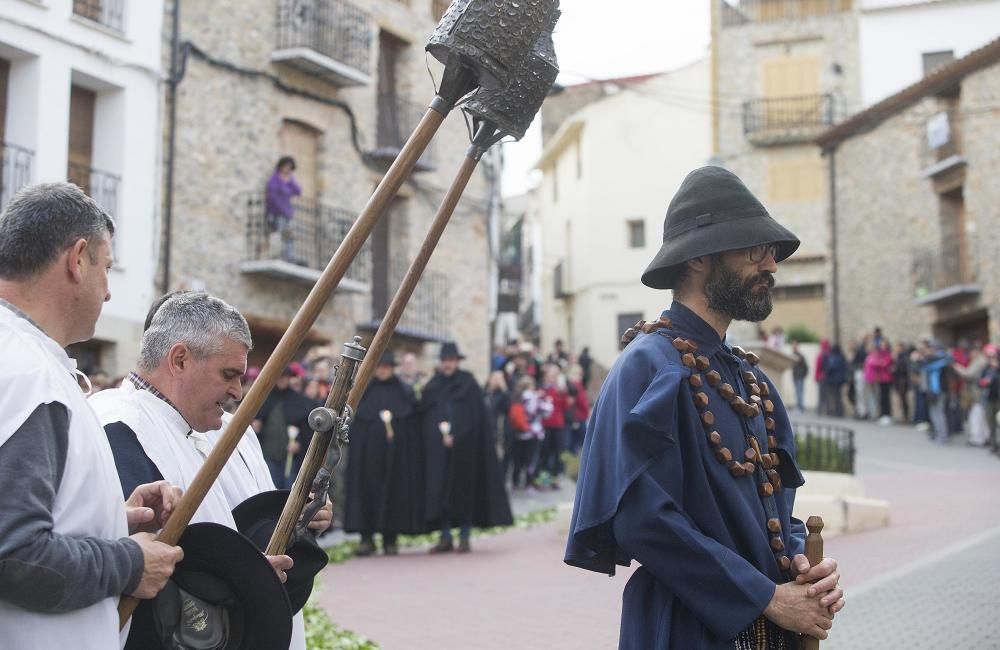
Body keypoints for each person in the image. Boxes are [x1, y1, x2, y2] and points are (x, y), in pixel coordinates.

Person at [565, 167, 844, 648]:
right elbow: (641, 520)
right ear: (698, 260)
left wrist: (799, 562)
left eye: (771, 252)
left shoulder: (747, 375)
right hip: (684, 629)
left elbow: (769, 508)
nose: (772, 265)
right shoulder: (647, 366)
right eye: (755, 249)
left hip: (767, 629)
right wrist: (766, 597)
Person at [91, 291, 332, 649]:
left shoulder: (214, 426)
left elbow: (241, 520)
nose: (238, 391)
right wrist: (243, 578)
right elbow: (142, 560)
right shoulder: (119, 424)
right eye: (228, 375)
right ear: (181, 360)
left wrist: (299, 515)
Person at [0, 183, 184, 648]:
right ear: (77, 259)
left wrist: (110, 518)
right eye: (106, 266)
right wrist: (129, 563)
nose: (107, 291)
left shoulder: (24, 360)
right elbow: (15, 557)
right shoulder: (28, 375)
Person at [421, 342, 512, 553]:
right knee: (440, 493)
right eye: (445, 361)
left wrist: (458, 436)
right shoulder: (433, 386)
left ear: (457, 362)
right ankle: (445, 536)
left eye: (451, 361)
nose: (448, 365)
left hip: (465, 450)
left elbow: (476, 417)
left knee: (464, 492)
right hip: (439, 452)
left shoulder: (468, 384)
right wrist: (438, 436)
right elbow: (426, 417)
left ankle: (464, 535)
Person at [344, 351, 426, 556]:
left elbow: (412, 426)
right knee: (366, 495)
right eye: (379, 367)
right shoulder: (366, 392)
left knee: (393, 494)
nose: (382, 371)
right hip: (368, 459)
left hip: (395, 459)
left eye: (386, 367)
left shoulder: (404, 392)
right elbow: (357, 424)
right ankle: (367, 538)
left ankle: (391, 538)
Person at [254, 365, 321, 489]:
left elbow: (307, 429)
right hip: (268, 455)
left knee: (289, 491)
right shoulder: (265, 398)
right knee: (269, 489)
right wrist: (256, 428)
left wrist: (299, 444)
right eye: (279, 378)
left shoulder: (297, 400)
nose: (282, 380)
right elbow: (257, 422)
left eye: (284, 377)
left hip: (290, 458)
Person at [265, 155, 303, 263]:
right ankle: (276, 255)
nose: (288, 169)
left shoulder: (289, 180)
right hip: (277, 212)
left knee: (289, 234)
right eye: (286, 166)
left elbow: (298, 190)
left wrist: (289, 180)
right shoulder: (275, 179)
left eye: (290, 167)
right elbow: (272, 197)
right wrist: (280, 209)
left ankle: (289, 256)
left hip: (286, 213)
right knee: (278, 234)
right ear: (281, 166)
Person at [790, 341, 809, 413]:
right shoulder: (794, 355)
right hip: (796, 377)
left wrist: (803, 375)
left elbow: (805, 367)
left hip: (799, 377)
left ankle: (800, 408)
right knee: (798, 392)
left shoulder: (800, 356)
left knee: (799, 392)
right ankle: (799, 407)